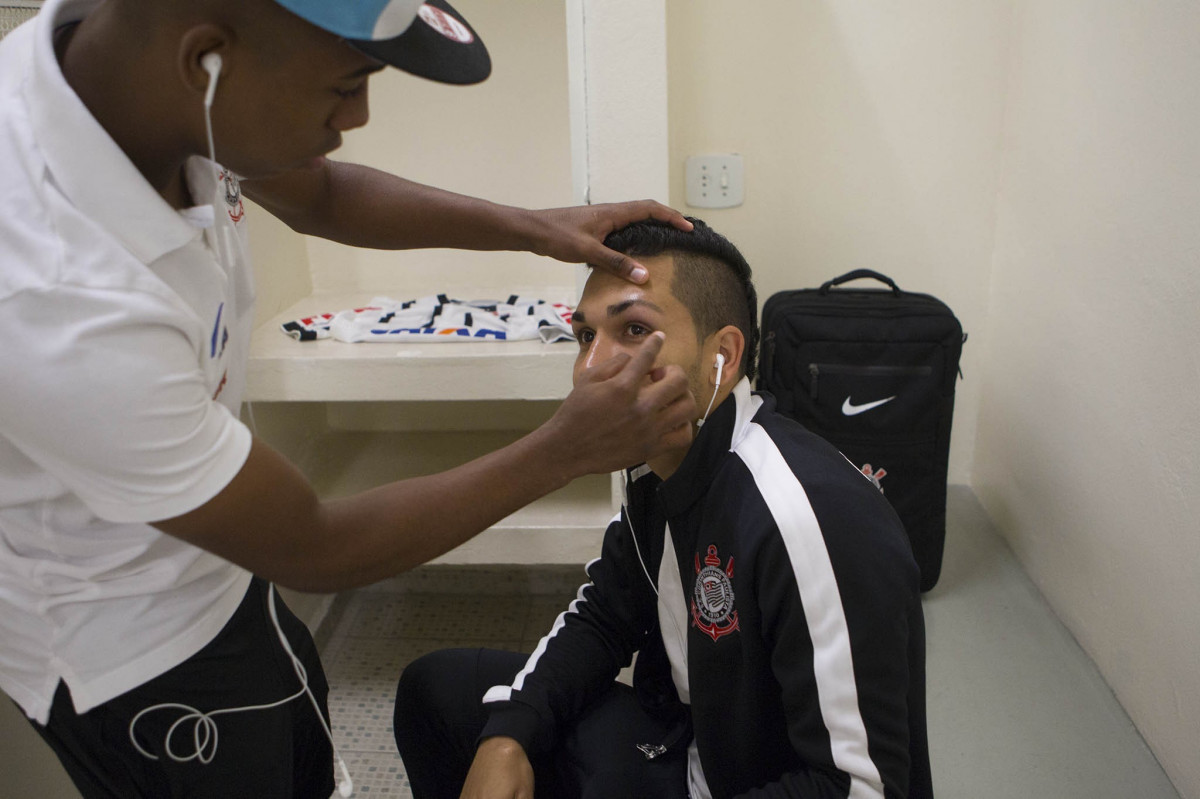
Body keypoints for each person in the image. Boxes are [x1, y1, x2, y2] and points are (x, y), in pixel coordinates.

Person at [0, 0, 699, 796]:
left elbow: (319, 194)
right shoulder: (47, 288)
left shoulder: (137, 77)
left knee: (301, 737)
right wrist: (565, 449)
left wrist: (535, 228)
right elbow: (316, 545)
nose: (360, 115)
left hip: (223, 573)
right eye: (344, 88)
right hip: (132, 644)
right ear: (206, 62)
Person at [394, 218, 934, 799]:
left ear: (721, 356)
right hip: (687, 743)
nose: (591, 369)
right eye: (584, 336)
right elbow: (606, 612)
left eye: (633, 330)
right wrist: (510, 735)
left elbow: (859, 787)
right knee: (437, 693)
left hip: (764, 782)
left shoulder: (806, 517)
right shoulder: (659, 463)